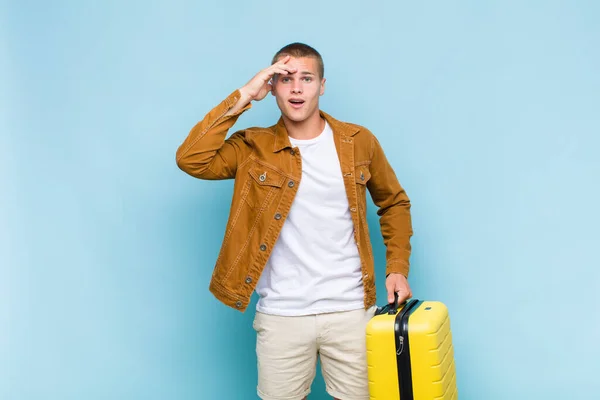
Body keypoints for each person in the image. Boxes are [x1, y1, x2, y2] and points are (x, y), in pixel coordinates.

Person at [176, 42, 413, 400]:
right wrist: (244, 95)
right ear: (272, 87)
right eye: (285, 79)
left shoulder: (358, 142)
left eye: (307, 78)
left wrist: (396, 267)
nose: (297, 88)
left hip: (350, 310)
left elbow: (394, 202)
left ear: (322, 85)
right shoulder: (253, 147)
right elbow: (191, 158)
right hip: (282, 314)